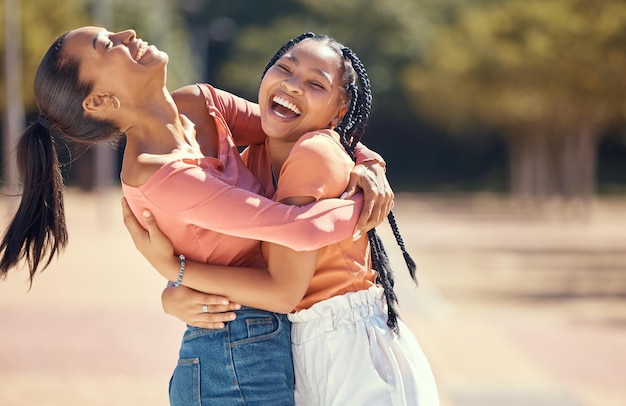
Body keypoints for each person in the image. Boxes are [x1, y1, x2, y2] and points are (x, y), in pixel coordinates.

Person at [0, 27, 394, 405]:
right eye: (106, 45)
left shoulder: (197, 103)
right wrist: (364, 204)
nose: (127, 36)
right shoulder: (160, 174)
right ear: (99, 101)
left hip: (264, 345)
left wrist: (371, 165)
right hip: (230, 359)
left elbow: (301, 125)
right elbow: (299, 230)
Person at [124, 33, 439, 405]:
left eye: (315, 84)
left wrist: (174, 270)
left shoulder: (314, 153)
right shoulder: (252, 159)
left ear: (339, 113)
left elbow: (282, 292)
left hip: (351, 351)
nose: (292, 86)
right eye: (285, 68)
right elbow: (235, 260)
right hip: (302, 345)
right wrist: (175, 294)